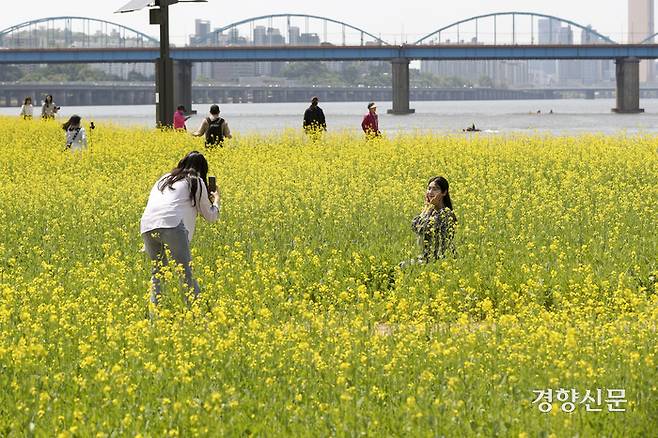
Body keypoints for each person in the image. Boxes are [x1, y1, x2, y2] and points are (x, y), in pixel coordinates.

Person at [140, 151, 220, 306]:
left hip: (147, 225)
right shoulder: (195, 181)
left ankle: (154, 318)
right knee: (185, 273)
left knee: (158, 273)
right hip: (172, 224)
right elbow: (211, 216)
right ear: (203, 170)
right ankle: (197, 314)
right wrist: (216, 200)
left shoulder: (164, 178)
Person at [408, 176, 457, 265]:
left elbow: (423, 229)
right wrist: (427, 208)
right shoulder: (430, 211)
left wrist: (428, 208)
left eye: (435, 189)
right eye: (429, 188)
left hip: (440, 259)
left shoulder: (446, 214)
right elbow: (414, 226)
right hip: (427, 256)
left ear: (444, 192)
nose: (430, 192)